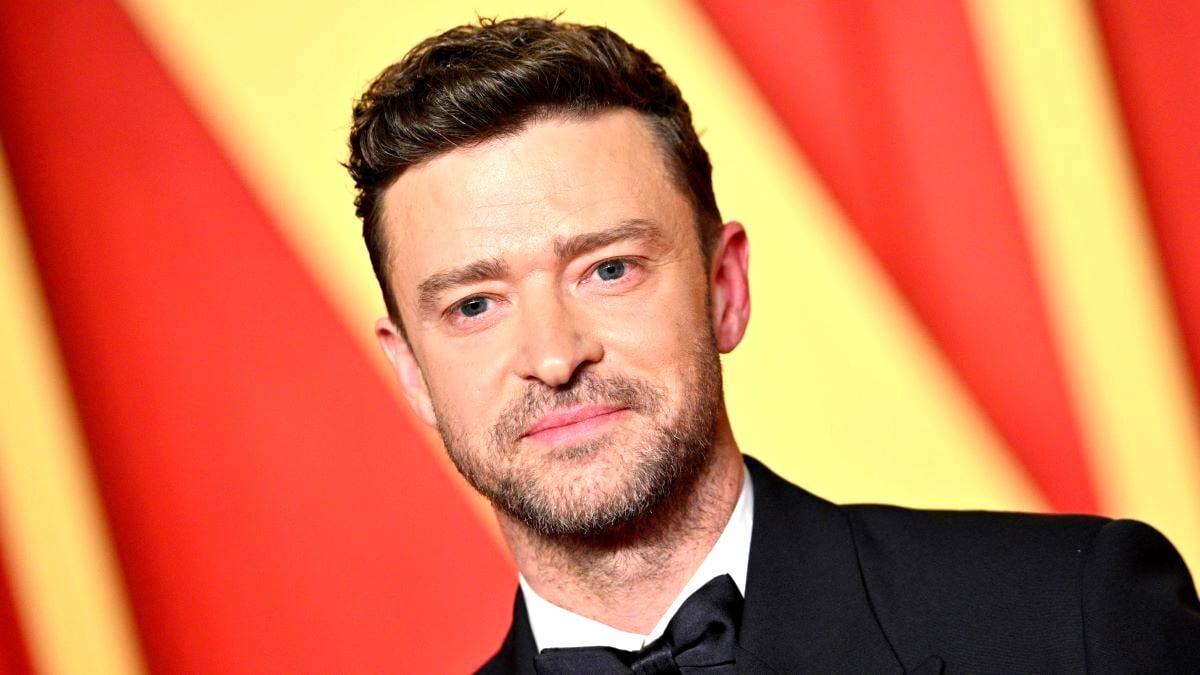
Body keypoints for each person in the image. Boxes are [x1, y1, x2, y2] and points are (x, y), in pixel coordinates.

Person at [346, 17, 1200, 673]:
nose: (555, 355)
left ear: (726, 289)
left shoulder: (1075, 619)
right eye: (475, 304)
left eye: (608, 270)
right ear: (413, 372)